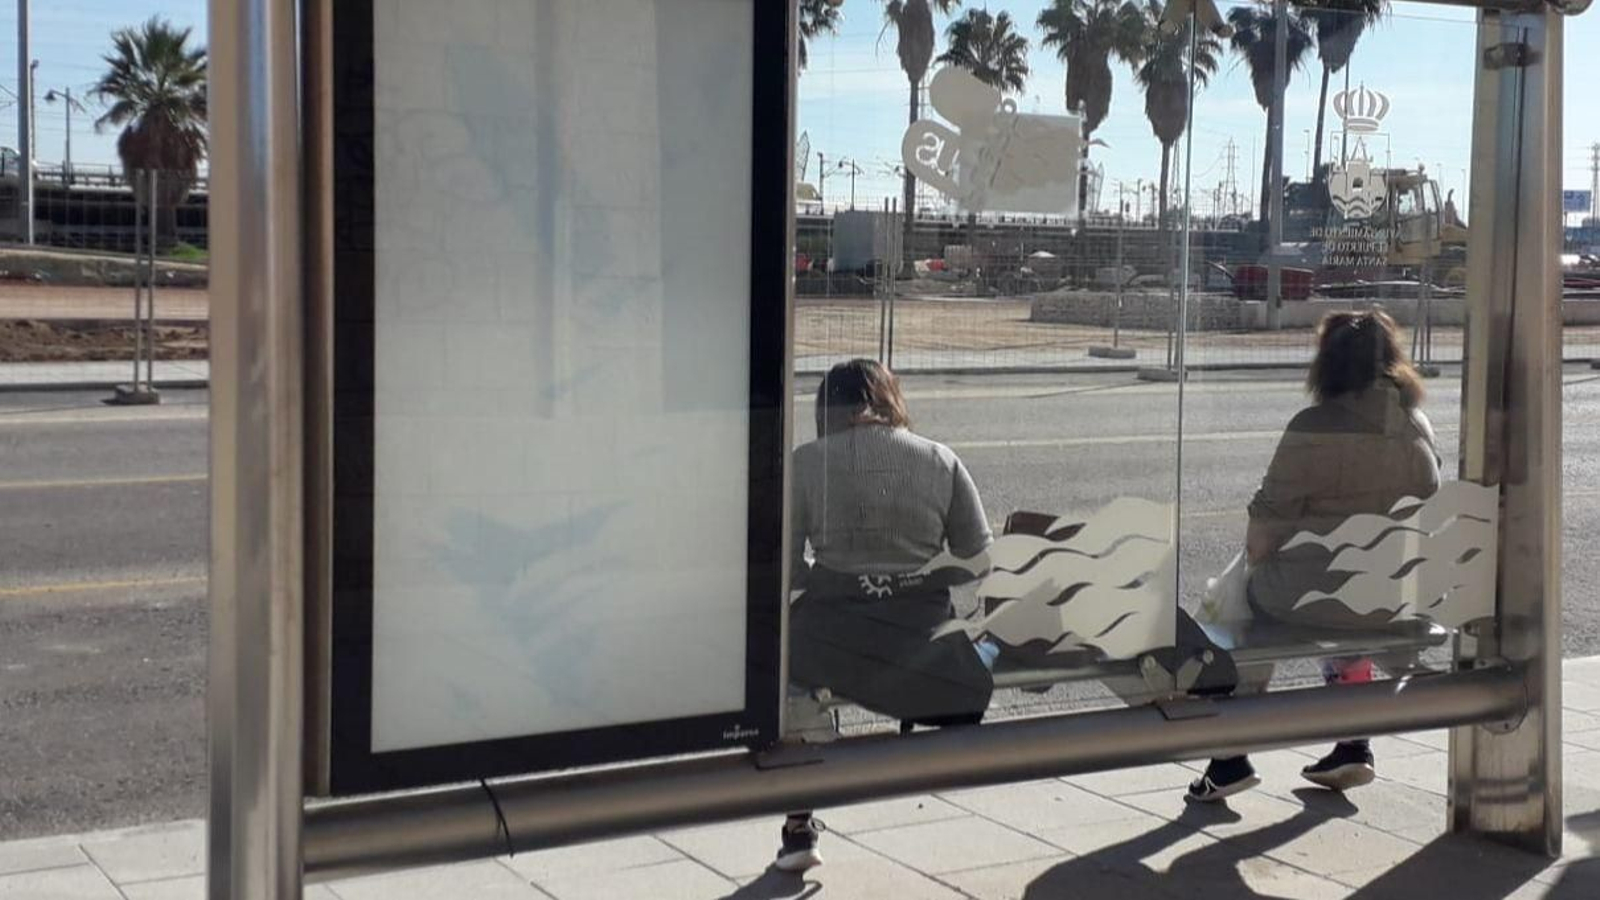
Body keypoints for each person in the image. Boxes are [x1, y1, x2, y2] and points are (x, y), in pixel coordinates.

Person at [1189, 310, 1441, 802]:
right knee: (1346, 592)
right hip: (1392, 593)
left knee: (1242, 598)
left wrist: (1258, 564)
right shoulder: (1417, 425)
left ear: (1327, 365)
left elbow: (1262, 536)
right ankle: (1352, 743)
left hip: (1317, 597)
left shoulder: (1314, 426)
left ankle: (1229, 755)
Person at [776, 358, 995, 872]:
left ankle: (799, 824)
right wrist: (915, 579)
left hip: (830, 645)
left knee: (783, 679)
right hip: (923, 644)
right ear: (890, 401)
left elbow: (783, 570)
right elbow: (977, 561)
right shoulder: (940, 460)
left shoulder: (806, 464)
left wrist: (830, 577)